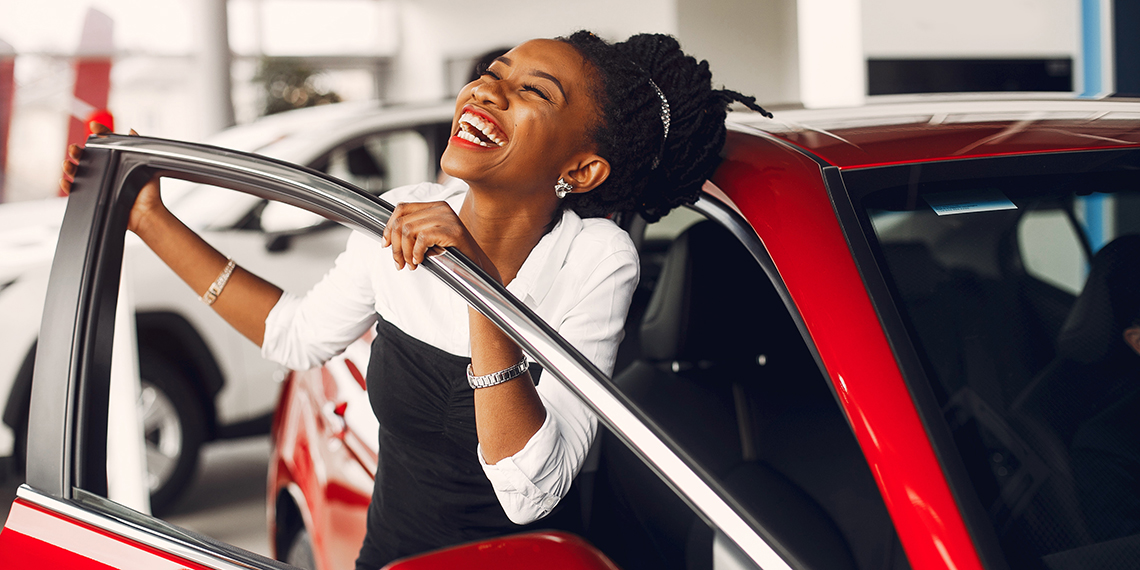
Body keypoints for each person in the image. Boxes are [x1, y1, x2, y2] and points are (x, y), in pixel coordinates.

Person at [62, 31, 770, 568]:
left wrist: (477, 285)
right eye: (494, 77)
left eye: (535, 93)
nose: (489, 93)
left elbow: (531, 492)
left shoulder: (594, 257)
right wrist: (148, 217)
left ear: (580, 168)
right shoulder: (404, 210)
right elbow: (297, 336)